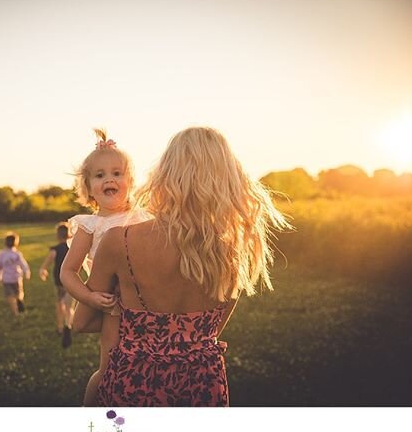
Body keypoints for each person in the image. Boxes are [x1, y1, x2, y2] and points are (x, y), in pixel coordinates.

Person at [75, 126, 291, 406]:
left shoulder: (120, 241)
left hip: (133, 385)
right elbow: (209, 331)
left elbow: (81, 322)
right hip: (203, 386)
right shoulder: (234, 250)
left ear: (166, 173)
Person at [60, 128, 151, 406]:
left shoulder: (144, 219)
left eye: (116, 173)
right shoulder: (90, 226)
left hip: (147, 302)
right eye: (99, 176)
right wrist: (89, 297)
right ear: (87, 188)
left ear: (130, 181)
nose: (109, 179)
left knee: (146, 366)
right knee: (110, 367)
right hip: (112, 303)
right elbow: (67, 272)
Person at [39, 222, 76, 348]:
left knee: (60, 304)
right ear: (69, 235)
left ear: (58, 236)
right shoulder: (73, 249)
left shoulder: (55, 250)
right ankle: (68, 325)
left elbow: (46, 264)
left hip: (59, 282)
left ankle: (60, 327)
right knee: (69, 306)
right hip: (71, 282)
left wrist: (43, 270)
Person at [0, 231, 31, 316]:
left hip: (7, 279)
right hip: (17, 278)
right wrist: (27, 272)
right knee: (18, 293)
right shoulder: (17, 254)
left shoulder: (1, 254)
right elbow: (24, 265)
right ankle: (19, 303)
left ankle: (15, 311)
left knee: (10, 296)